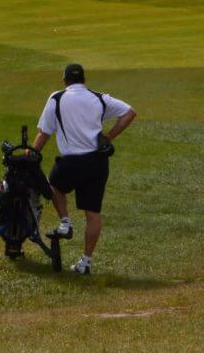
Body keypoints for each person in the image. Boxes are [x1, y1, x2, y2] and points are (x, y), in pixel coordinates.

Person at [31, 62, 136, 275]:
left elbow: (44, 133)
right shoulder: (98, 98)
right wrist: (109, 136)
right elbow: (129, 113)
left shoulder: (57, 98)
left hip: (70, 162)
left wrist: (31, 155)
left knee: (53, 185)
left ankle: (65, 222)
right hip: (97, 163)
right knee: (93, 213)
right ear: (84, 79)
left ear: (64, 80)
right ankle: (86, 262)